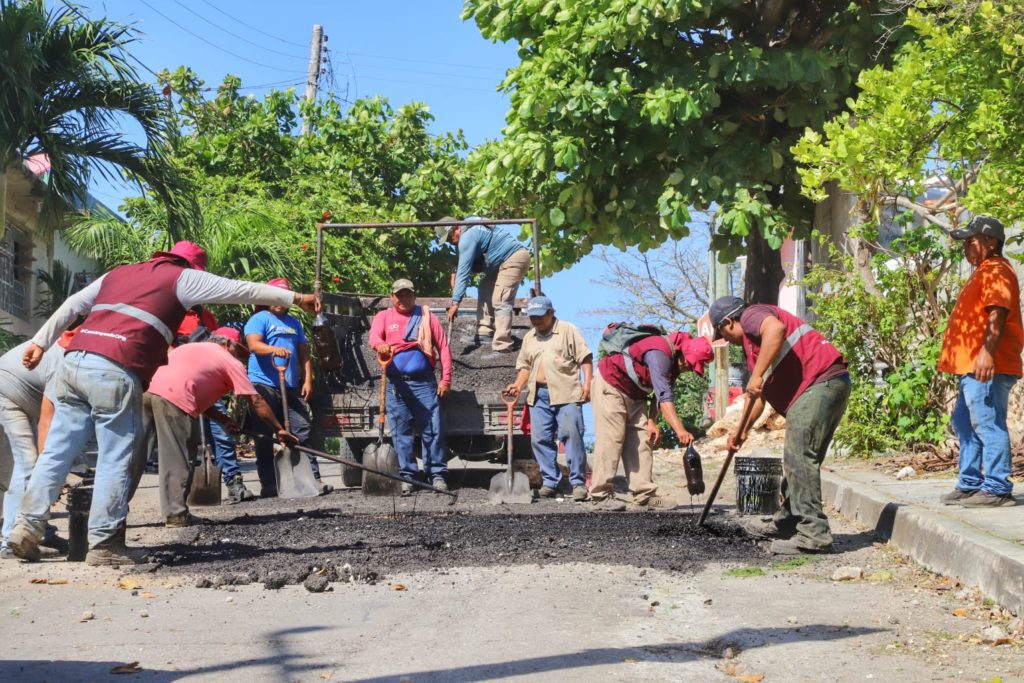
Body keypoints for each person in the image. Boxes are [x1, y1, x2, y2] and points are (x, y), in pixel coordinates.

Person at [8, 241, 320, 565]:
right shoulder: (181, 278)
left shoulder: (118, 274)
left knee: (56, 452)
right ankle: (104, 544)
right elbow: (239, 290)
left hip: (71, 366)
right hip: (114, 368)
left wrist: (40, 342)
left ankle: (26, 530)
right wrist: (297, 298)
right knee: (117, 458)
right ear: (193, 267)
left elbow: (73, 304)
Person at [710, 295, 850, 555]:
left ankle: (814, 535)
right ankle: (788, 522)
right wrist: (739, 432)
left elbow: (776, 329)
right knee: (799, 459)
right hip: (823, 385)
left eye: (722, 333)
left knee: (799, 458)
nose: (726, 340)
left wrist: (757, 374)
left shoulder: (753, 315)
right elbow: (758, 399)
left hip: (819, 382)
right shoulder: (754, 349)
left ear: (728, 321)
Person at [144, 328, 297, 527]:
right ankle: (176, 515)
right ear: (226, 345)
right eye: (238, 352)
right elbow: (255, 400)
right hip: (174, 400)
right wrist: (279, 429)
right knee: (177, 457)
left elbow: (193, 389)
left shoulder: (189, 349)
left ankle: (115, 519)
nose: (240, 359)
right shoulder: (228, 360)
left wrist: (223, 420)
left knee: (135, 457)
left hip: (146, 393)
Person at [938, 216, 1022, 508]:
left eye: (971, 241)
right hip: (972, 366)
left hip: (988, 365)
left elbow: (998, 312)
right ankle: (970, 483)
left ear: (991, 241)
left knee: (987, 422)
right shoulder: (984, 270)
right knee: (963, 421)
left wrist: (986, 353)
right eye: (964, 243)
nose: (966, 248)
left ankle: (998, 487)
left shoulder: (997, 270)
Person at [590, 325, 713, 510]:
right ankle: (600, 496)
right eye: (689, 363)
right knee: (611, 438)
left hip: (636, 393)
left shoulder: (674, 364)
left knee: (642, 441)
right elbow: (665, 395)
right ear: (682, 353)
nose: (688, 368)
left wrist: (652, 421)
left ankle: (644, 495)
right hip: (611, 384)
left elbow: (660, 392)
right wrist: (679, 429)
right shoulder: (659, 353)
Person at [244, 277, 330, 497]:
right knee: (264, 434)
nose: (278, 302)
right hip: (263, 384)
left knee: (302, 429)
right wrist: (273, 350)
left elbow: (304, 352)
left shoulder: (294, 322)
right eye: (274, 296)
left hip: (290, 385)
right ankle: (269, 484)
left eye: (283, 297)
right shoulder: (259, 318)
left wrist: (308, 379)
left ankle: (313, 480)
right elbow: (253, 344)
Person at [369, 279, 453, 493]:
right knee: (400, 432)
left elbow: (443, 347)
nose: (403, 299)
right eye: (399, 295)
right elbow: (374, 337)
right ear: (392, 297)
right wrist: (381, 344)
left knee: (432, 430)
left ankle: (436, 475)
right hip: (395, 385)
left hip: (424, 384)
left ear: (414, 297)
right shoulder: (384, 317)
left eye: (408, 295)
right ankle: (408, 476)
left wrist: (446, 379)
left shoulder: (425, 317)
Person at [505, 296, 592, 501]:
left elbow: (585, 358)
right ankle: (550, 482)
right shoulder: (530, 338)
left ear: (551, 313)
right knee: (540, 439)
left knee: (572, 436)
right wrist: (518, 385)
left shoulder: (568, 330)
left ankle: (578, 483)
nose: (535, 321)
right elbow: (525, 366)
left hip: (566, 393)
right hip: (539, 395)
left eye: (539, 317)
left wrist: (587, 383)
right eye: (532, 317)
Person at [172, 308, 253, 502]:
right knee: (185, 439)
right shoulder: (172, 312)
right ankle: (181, 492)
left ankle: (233, 481)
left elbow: (218, 344)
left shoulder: (206, 316)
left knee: (222, 432)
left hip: (205, 378)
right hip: (180, 382)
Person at [0, 339, 69, 559]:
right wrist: (50, 472)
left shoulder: (74, 353)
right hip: (7, 393)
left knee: (37, 467)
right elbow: (47, 423)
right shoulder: (64, 362)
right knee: (28, 464)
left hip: (26, 396)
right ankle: (8, 541)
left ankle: (41, 532)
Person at [439, 217, 532, 352]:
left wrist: (455, 303)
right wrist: (456, 271)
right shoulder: (472, 227)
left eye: (449, 237)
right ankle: (485, 332)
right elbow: (466, 266)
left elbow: (463, 273)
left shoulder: (467, 237)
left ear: (457, 227)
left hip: (514, 257)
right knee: (485, 287)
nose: (450, 241)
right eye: (447, 240)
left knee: (500, 298)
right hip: (500, 264)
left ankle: (503, 343)